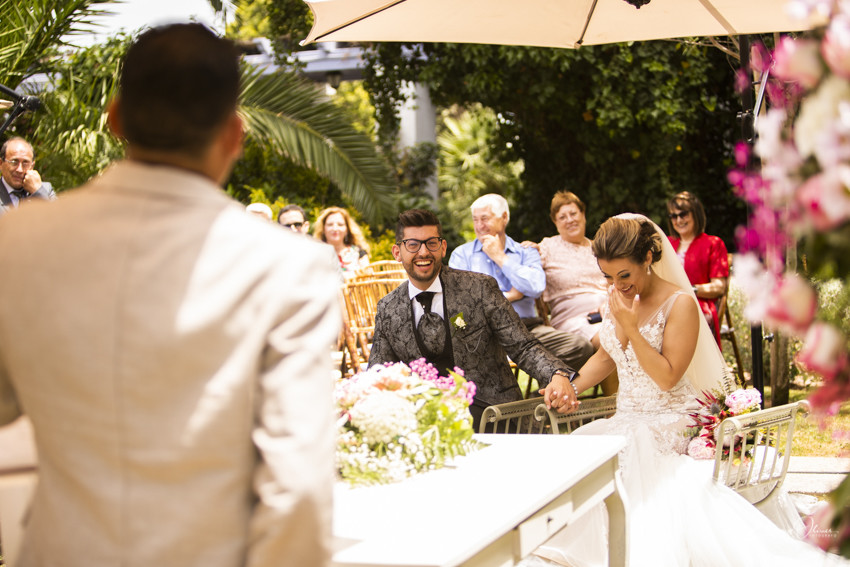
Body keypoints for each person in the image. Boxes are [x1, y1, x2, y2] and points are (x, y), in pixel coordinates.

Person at [0, 24, 340, 567]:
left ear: (115, 118)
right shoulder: (292, 266)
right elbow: (297, 488)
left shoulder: (17, 241)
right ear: (234, 133)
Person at [523, 215, 844, 567]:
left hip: (670, 417)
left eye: (624, 275)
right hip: (626, 416)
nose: (617, 285)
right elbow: (606, 355)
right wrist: (570, 386)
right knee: (582, 450)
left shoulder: (680, 304)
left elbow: (668, 377)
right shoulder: (617, 297)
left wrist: (632, 327)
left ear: (648, 258)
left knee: (633, 455)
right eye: (608, 277)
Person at [368, 209, 577, 431]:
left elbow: (523, 345)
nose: (423, 252)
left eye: (431, 243)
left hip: (494, 416)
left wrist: (556, 374)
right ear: (397, 252)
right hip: (428, 426)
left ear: (443, 247)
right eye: (412, 245)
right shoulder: (388, 308)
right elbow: (378, 373)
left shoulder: (479, 288)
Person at [449, 194, 593, 372]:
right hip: (484, 331)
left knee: (580, 346)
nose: (479, 226)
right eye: (475, 220)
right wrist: (511, 295)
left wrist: (500, 257)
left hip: (527, 329)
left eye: (485, 219)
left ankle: (548, 386)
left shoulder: (525, 251)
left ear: (504, 218)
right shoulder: (462, 255)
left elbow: (535, 287)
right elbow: (461, 302)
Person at [667, 191, 729, 345]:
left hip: (698, 305)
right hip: (666, 303)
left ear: (695, 214)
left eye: (683, 214)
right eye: (674, 216)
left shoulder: (713, 243)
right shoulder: (666, 244)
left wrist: (690, 290)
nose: (678, 220)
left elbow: (719, 287)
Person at [0, 136, 57, 216]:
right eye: (14, 162)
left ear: (32, 166)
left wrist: (37, 192)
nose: (19, 170)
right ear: (1, 163)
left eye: (25, 163)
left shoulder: (45, 190)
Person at [314, 206, 371, 277]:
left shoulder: (359, 253)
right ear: (323, 229)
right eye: (330, 225)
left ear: (347, 229)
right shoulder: (315, 255)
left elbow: (370, 279)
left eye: (340, 225)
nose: (335, 229)